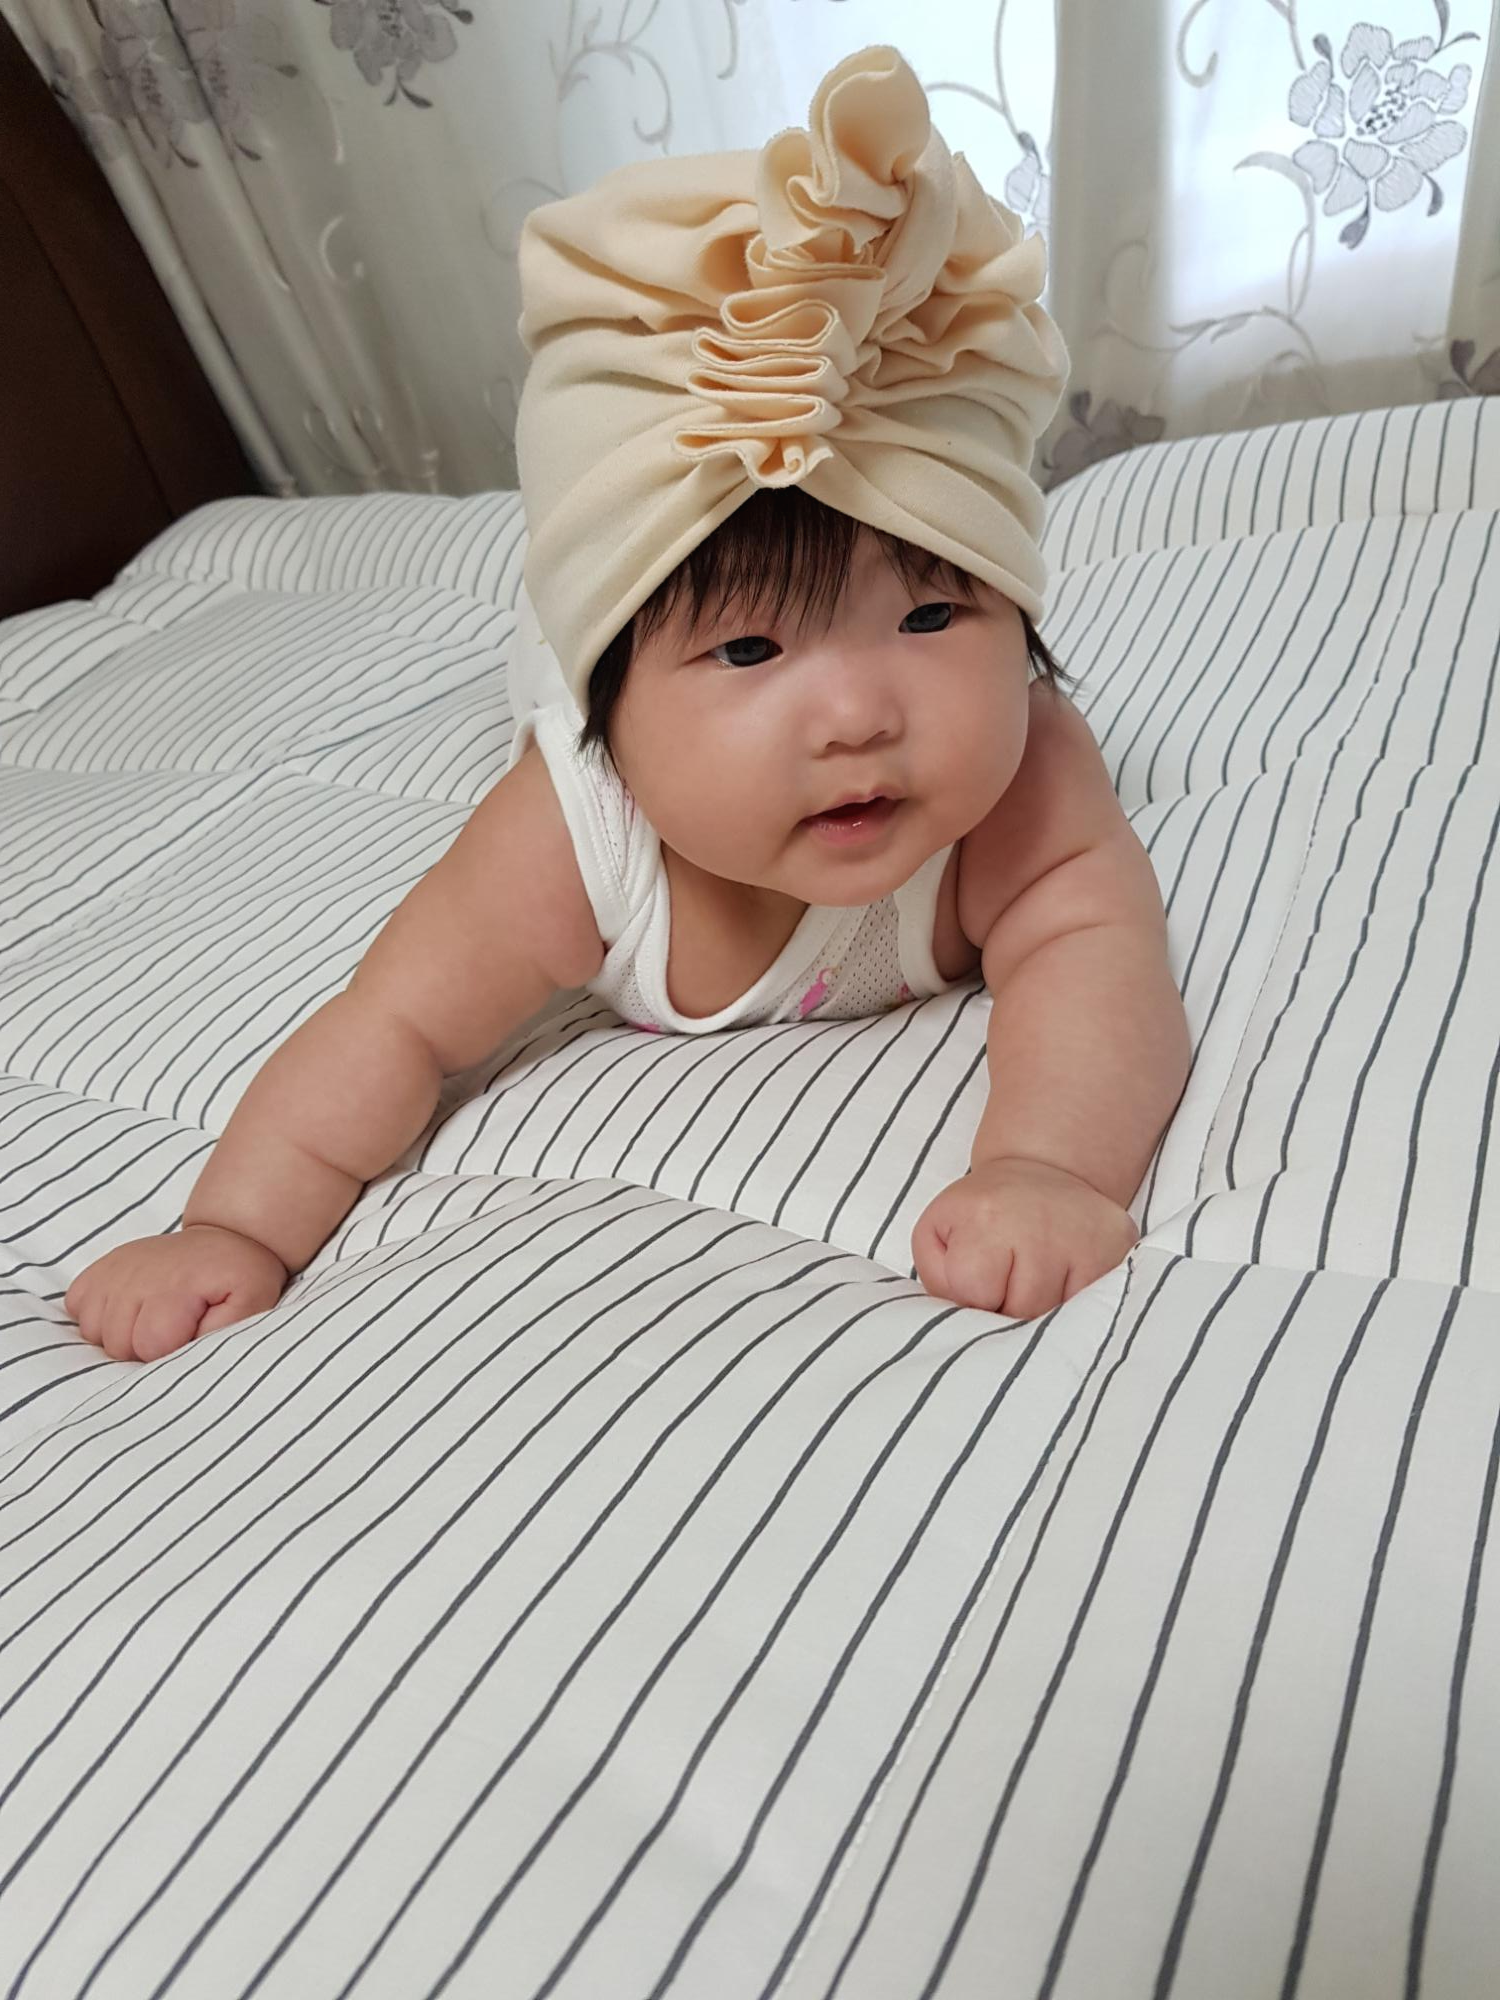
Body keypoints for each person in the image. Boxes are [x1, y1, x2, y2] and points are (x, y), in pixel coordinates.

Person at [64, 45, 1190, 1364]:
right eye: (751, 648)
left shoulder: (1027, 768)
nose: (857, 716)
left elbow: (1099, 959)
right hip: (583, 656)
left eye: (934, 616)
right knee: (566, 623)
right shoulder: (571, 834)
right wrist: (230, 1228)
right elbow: (393, 1028)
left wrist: (1050, 1164)